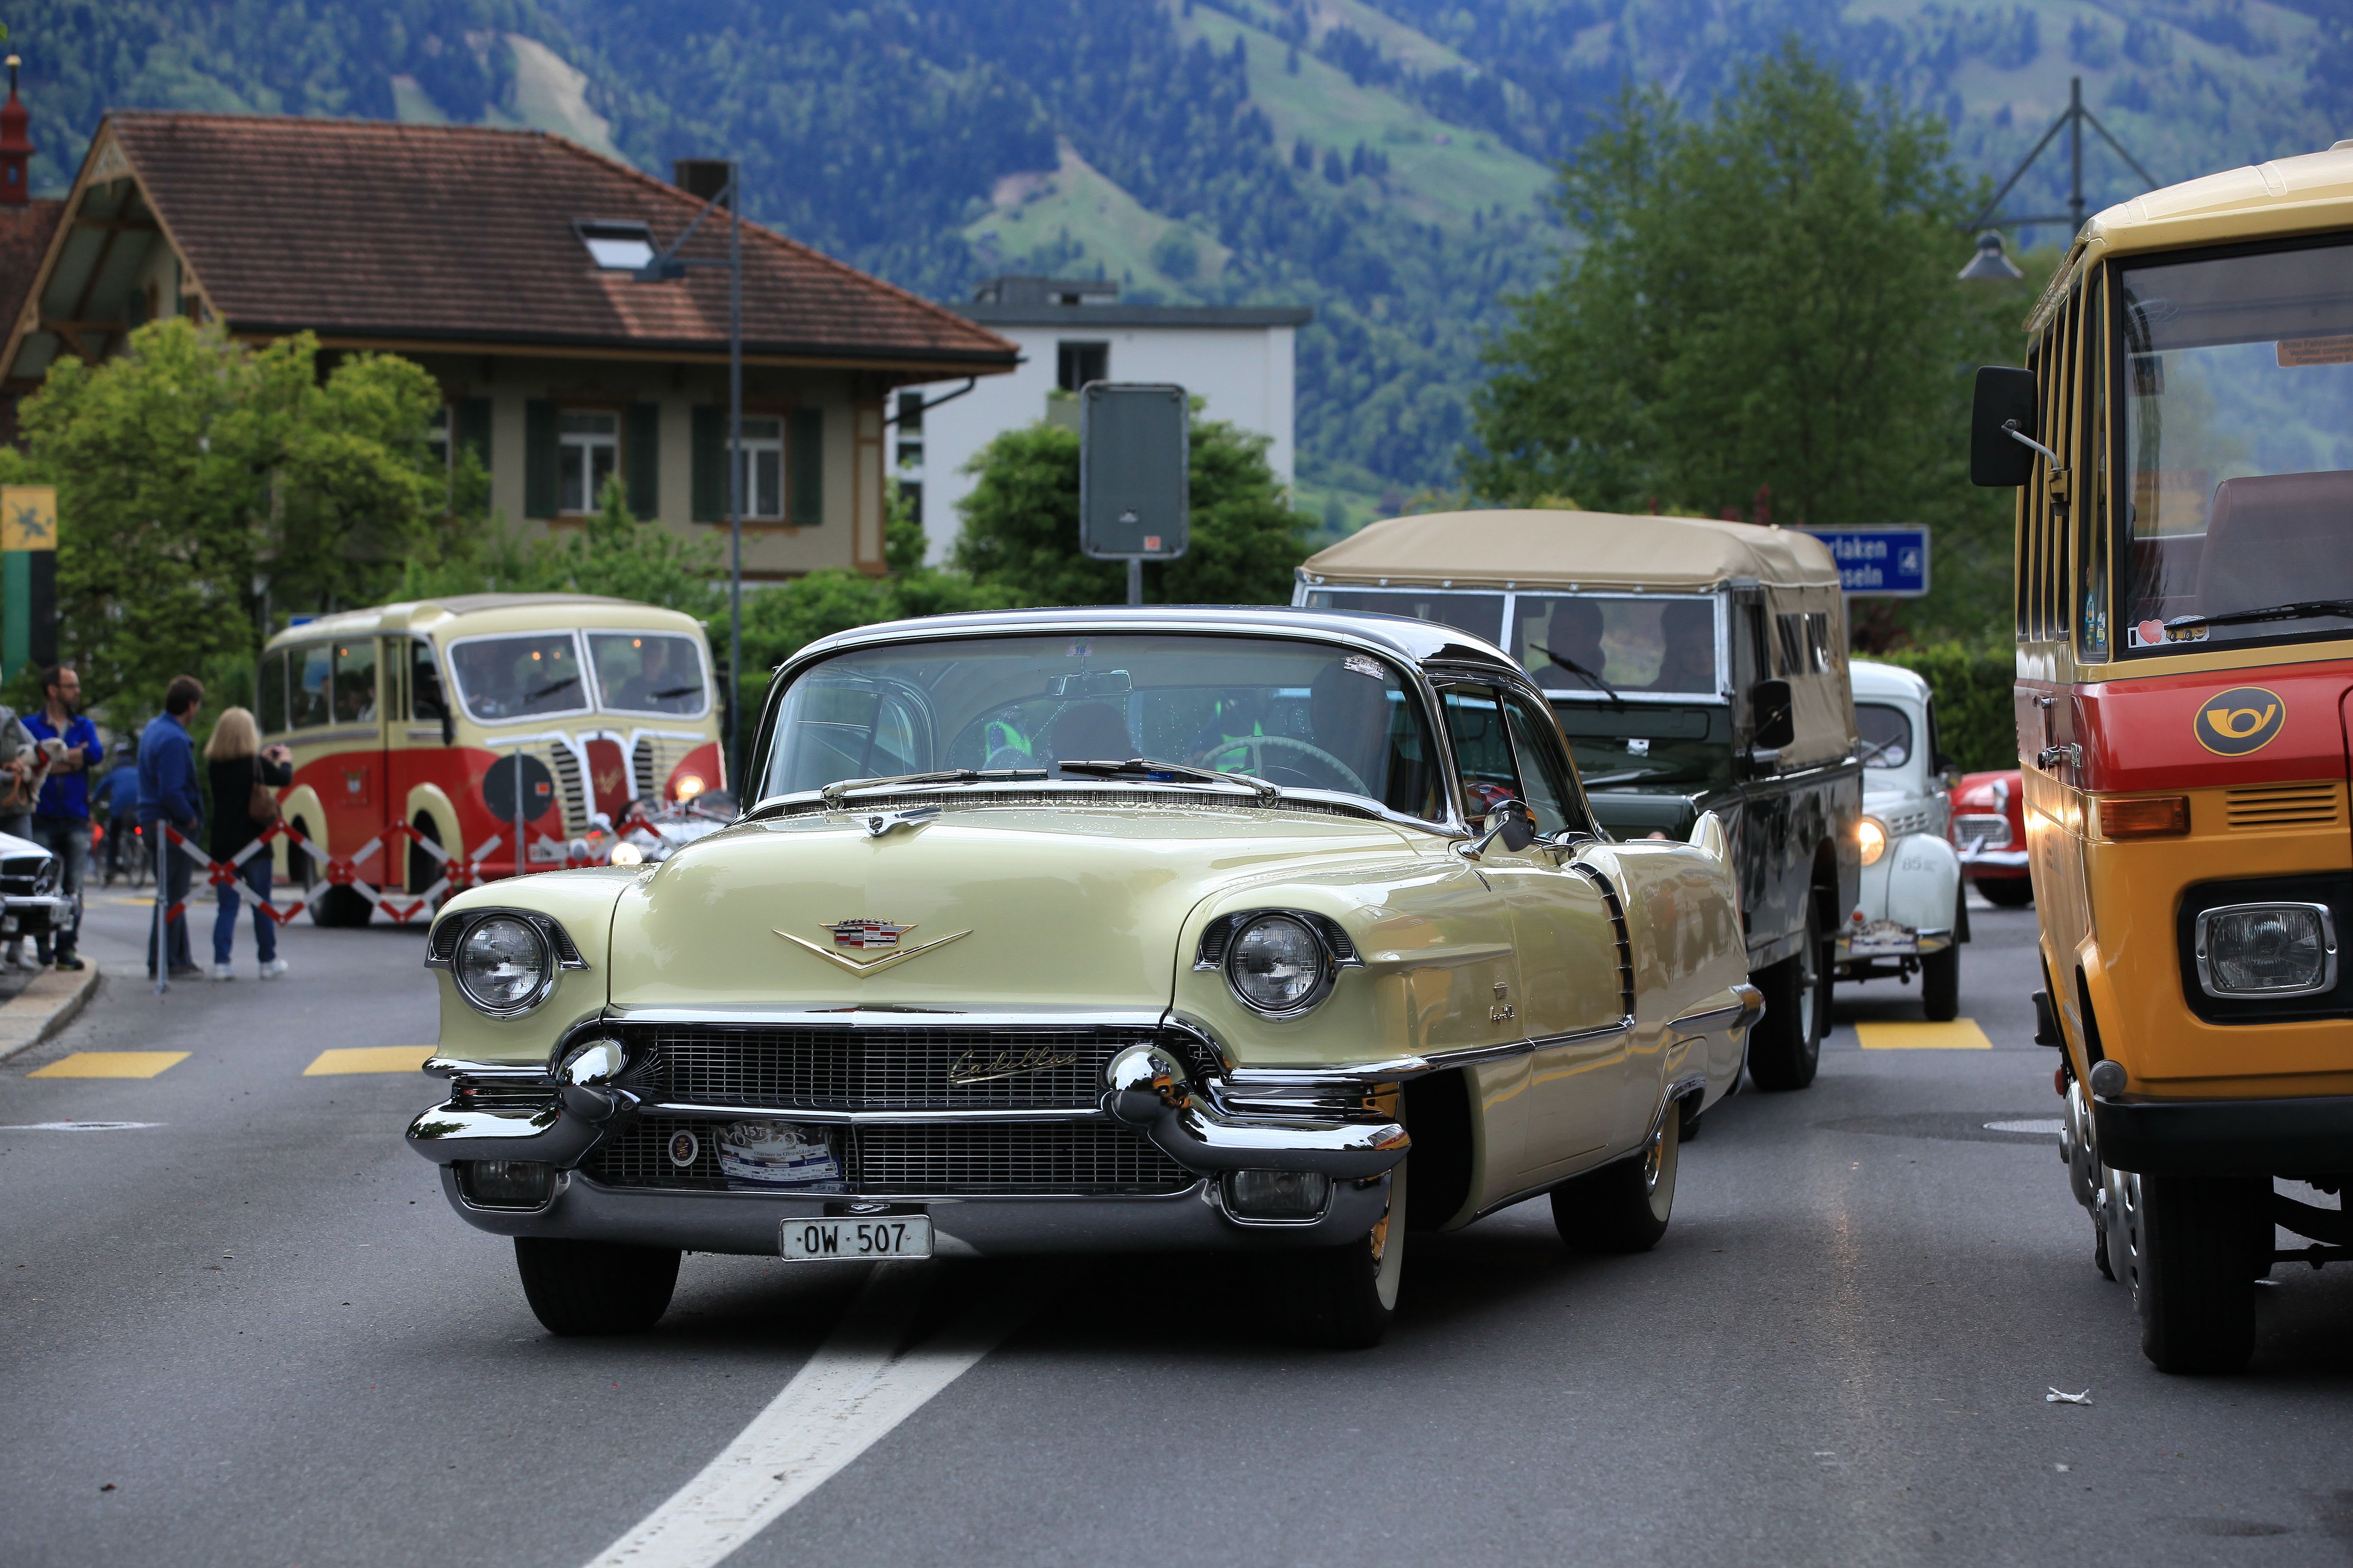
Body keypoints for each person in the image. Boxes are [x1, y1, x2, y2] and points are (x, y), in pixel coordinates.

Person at [22, 664, 103, 971]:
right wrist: (72, 757)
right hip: (41, 815)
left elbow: (94, 754)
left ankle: (67, 948)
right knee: (41, 883)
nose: (77, 692)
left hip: (75, 817)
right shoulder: (31, 725)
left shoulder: (84, 725)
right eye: (71, 686)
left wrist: (51, 759)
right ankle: (43, 944)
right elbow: (27, 759)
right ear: (53, 690)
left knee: (74, 887)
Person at [204, 706, 291, 981]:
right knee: (261, 902)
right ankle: (267, 960)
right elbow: (284, 778)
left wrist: (261, 761)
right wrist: (285, 760)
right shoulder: (256, 765)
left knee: (227, 906)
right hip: (255, 843)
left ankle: (222, 962)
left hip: (224, 845)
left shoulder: (214, 767)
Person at [138, 676, 205, 980]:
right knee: (174, 894)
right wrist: (190, 817)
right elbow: (172, 790)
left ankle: (178, 955)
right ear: (190, 706)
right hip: (171, 824)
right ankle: (165, 960)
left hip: (151, 818)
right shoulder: (175, 740)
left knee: (170, 891)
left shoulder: (154, 730)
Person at [95, 739, 140, 885]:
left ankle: (111, 867)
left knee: (114, 837)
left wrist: (93, 800)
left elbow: (101, 790)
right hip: (139, 810)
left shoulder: (115, 773)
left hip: (119, 812)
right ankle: (139, 854)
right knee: (136, 831)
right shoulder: (138, 771)